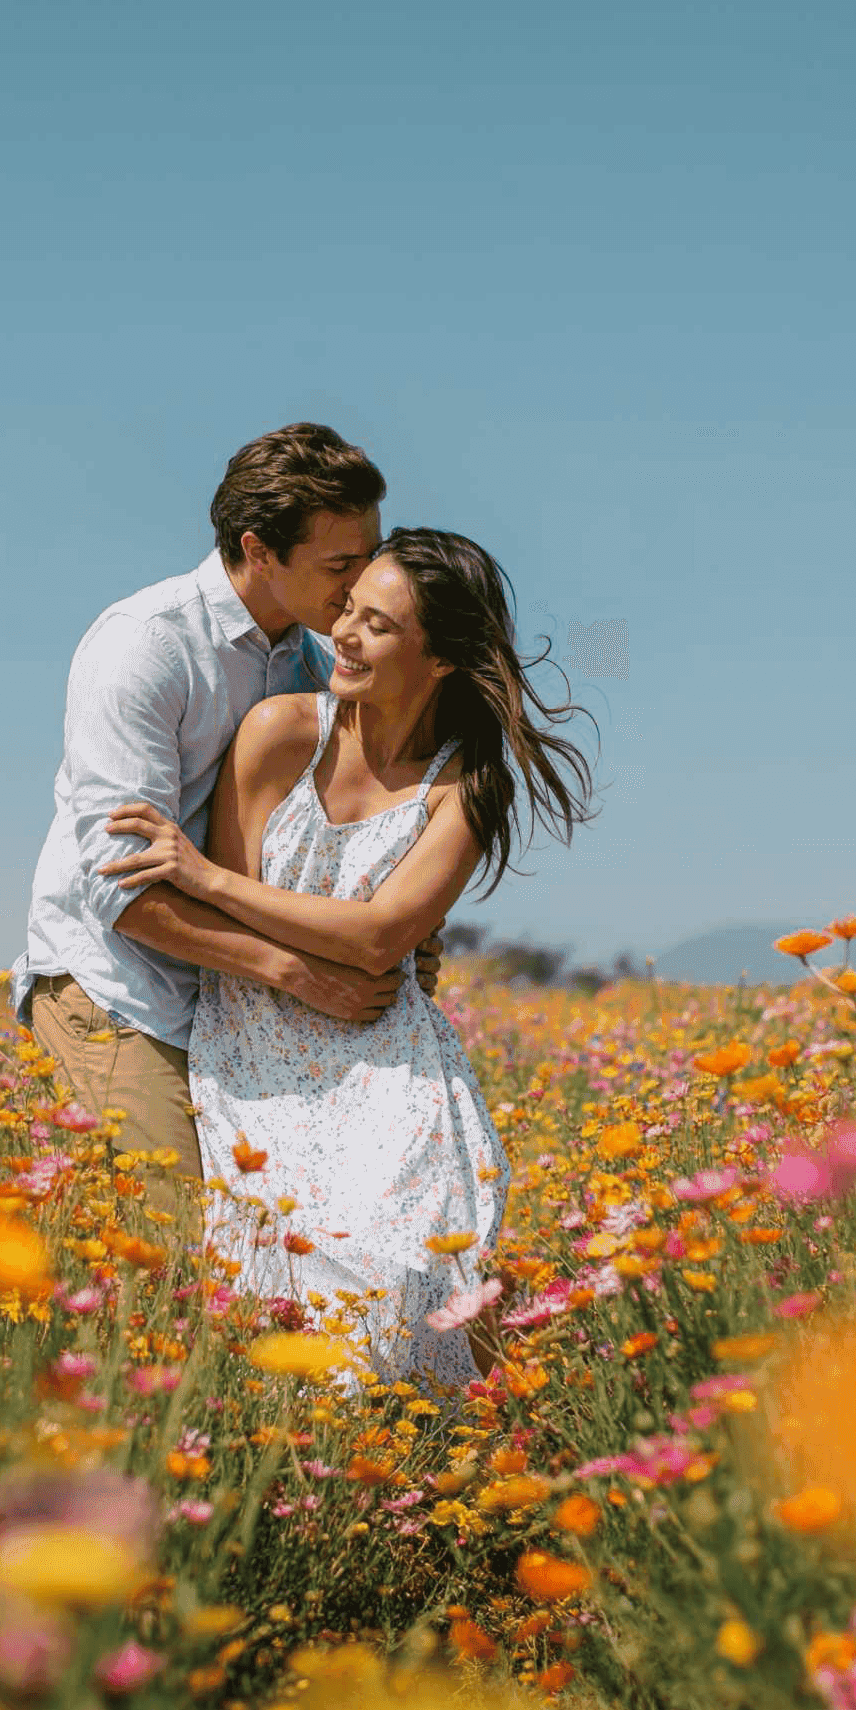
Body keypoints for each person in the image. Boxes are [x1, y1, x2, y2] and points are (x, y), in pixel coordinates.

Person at [102, 529, 594, 1385]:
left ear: (441, 659)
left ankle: (461, 1450)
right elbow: (244, 934)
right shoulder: (279, 732)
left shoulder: (468, 785)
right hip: (256, 1043)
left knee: (419, 1265)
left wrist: (208, 877)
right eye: (349, 612)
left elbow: (379, 938)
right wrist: (298, 948)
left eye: (379, 625)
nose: (346, 636)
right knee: (294, 1282)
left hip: (386, 1050)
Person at [14, 422, 395, 1239]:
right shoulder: (145, 646)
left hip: (241, 1005)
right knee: (177, 1262)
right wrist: (298, 973)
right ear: (259, 551)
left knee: (279, 1253)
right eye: (339, 565)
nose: (362, 584)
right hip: (123, 993)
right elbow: (121, 892)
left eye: (370, 556)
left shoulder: (315, 660)